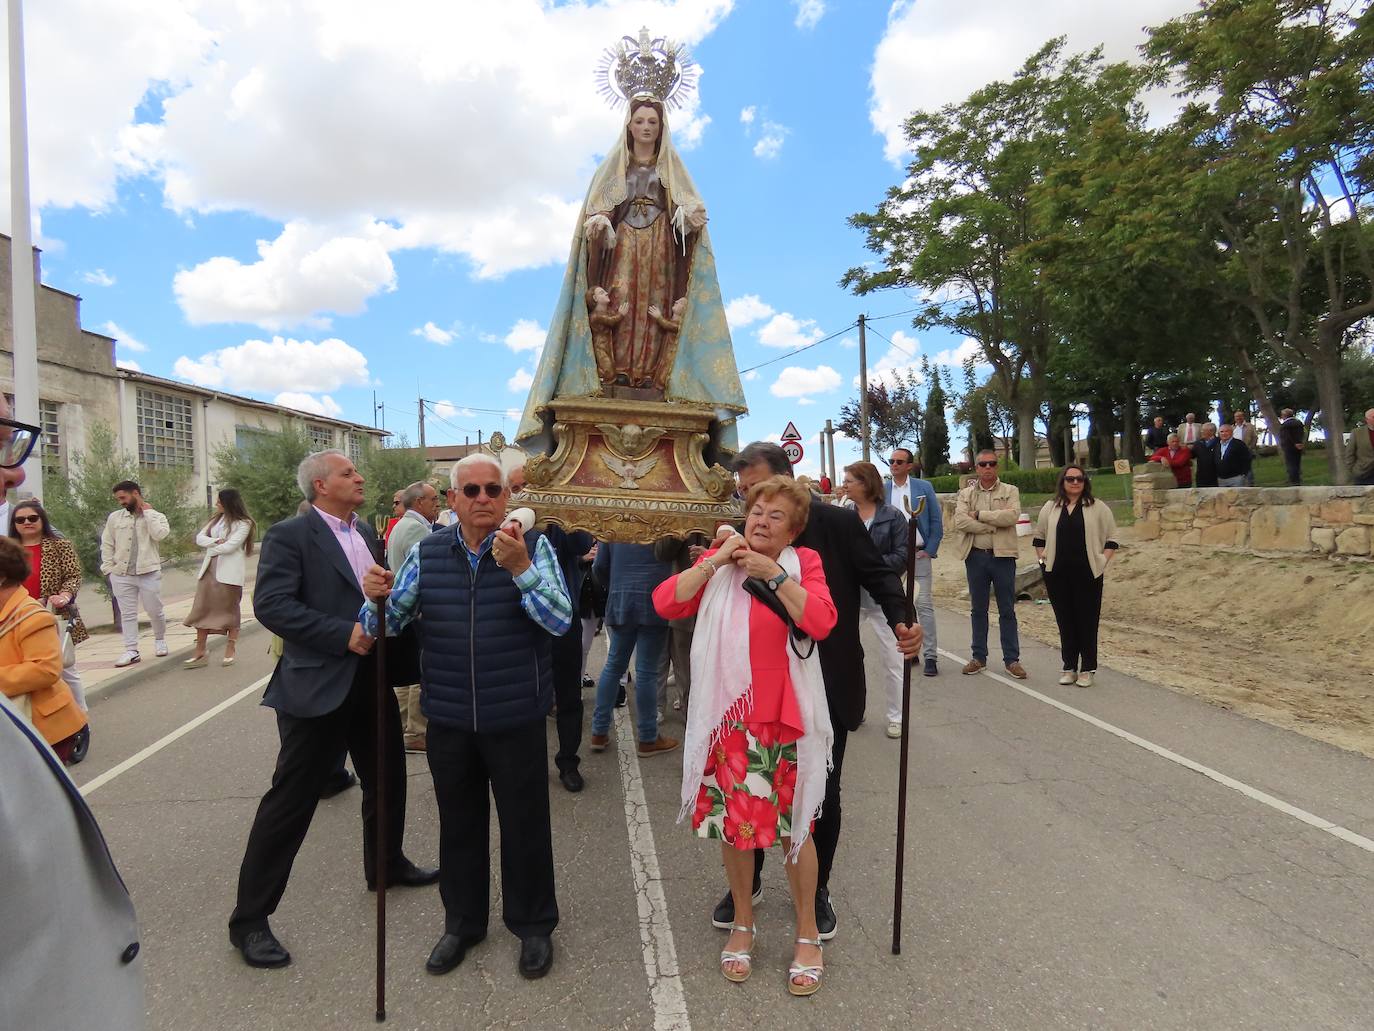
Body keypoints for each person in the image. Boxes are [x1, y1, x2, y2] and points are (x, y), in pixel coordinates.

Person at [361, 454, 571, 980]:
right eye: (471, 490)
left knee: (525, 826)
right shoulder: (428, 555)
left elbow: (560, 621)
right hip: (450, 717)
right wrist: (374, 601)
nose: (482, 499)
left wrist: (521, 570)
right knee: (459, 825)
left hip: (516, 714)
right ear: (451, 500)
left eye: (493, 490)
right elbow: (386, 623)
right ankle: (462, 922)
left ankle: (533, 925)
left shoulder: (535, 548)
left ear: (506, 499)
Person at [228, 450, 438, 971]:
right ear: (321, 485)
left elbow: (363, 596)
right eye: (348, 473)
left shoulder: (364, 532)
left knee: (387, 778)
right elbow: (272, 606)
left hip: (370, 679)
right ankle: (250, 920)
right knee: (291, 802)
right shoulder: (290, 536)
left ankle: (385, 865)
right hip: (316, 685)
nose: (359, 477)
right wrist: (341, 633)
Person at [709, 442, 921, 941]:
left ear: (787, 476)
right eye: (745, 495)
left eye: (757, 488)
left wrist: (903, 620)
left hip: (826, 677)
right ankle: (752, 881)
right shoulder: (744, 532)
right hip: (758, 688)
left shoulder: (838, 524)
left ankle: (817, 888)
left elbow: (878, 576)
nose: (752, 504)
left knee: (821, 793)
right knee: (753, 789)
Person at [654, 476, 837, 995]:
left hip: (786, 719)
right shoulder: (721, 560)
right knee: (736, 829)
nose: (760, 521)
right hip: (729, 723)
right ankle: (742, 922)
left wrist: (774, 575)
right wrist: (714, 560)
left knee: (793, 831)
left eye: (775, 516)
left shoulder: (804, 566)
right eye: (756, 511)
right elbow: (667, 603)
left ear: (794, 529)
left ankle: (806, 932)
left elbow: (822, 621)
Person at [0, 394, 145, 1029]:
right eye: (3, 444)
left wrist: (60, 597)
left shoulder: (58, 543)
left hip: (47, 624)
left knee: (68, 677)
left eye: (18, 445)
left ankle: (79, 717)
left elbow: (67, 572)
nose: (16, 476)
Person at [516, 92, 745, 453]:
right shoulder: (613, 170)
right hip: (622, 246)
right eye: (639, 121)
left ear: (662, 128)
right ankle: (617, 374)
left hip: (660, 251)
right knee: (621, 305)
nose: (646, 128)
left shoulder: (671, 171)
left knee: (654, 307)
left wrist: (688, 217)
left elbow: (683, 212)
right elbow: (602, 209)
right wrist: (598, 222)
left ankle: (651, 377)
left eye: (653, 122)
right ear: (629, 125)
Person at [10, 498, 91, 760]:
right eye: (20, 520)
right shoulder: (9, 550)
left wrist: (65, 595)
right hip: (14, 616)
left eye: (32, 518)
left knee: (64, 668)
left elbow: (74, 575)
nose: (26, 524)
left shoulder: (59, 546)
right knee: (26, 668)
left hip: (51, 614)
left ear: (42, 520)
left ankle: (79, 716)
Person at [588, 542, 678, 757]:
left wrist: (618, 583)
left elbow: (599, 565)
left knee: (613, 666)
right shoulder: (664, 520)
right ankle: (648, 737)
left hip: (621, 596)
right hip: (655, 597)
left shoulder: (616, 518)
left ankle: (598, 732)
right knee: (646, 671)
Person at [1033, 467, 1119, 689]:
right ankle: (1069, 666)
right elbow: (1039, 537)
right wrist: (1043, 561)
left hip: (1088, 573)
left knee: (1087, 622)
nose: (1075, 482)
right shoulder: (1050, 508)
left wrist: (1102, 561)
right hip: (1057, 573)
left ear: (1084, 482)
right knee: (1065, 621)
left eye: (1079, 479)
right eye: (1070, 478)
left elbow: (1112, 538)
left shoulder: (1097, 507)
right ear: (1062, 481)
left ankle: (1087, 668)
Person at [845, 462, 908, 739]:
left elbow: (902, 555)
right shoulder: (844, 515)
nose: (845, 485)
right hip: (849, 598)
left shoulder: (893, 516)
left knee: (893, 661)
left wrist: (869, 567)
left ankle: (896, 717)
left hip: (883, 599)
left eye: (850, 481)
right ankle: (854, 710)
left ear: (866, 483)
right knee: (848, 659)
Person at [953, 450, 1026, 679]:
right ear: (976, 467)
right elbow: (960, 521)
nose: (988, 468)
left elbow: (1012, 517)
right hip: (976, 556)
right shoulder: (966, 493)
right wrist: (991, 525)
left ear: (997, 467)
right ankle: (978, 658)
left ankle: (1012, 660)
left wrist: (980, 514)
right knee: (978, 609)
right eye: (983, 464)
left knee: (1007, 609)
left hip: (1003, 556)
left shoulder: (1010, 491)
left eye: (992, 464)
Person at [385, 480, 441, 753]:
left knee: (407, 674)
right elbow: (431, 571)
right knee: (418, 674)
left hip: (403, 608)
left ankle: (404, 726)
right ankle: (416, 731)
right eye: (433, 499)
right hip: (414, 609)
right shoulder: (417, 529)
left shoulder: (401, 526)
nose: (437, 504)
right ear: (419, 502)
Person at [884, 447, 943, 676]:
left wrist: (930, 549)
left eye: (899, 461)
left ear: (909, 465)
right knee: (901, 606)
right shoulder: (884, 489)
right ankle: (911, 652)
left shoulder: (923, 487)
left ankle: (931, 656)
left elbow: (936, 521)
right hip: (893, 556)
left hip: (919, 553)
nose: (895, 464)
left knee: (924, 604)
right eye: (892, 461)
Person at [100, 480, 170, 668]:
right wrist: (107, 568)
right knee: (128, 613)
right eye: (118, 499)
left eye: (123, 497)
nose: (121, 502)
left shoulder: (156, 516)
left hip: (149, 572)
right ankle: (131, 649)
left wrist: (147, 513)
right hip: (121, 573)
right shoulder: (115, 518)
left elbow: (160, 535)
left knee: (154, 610)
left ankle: (160, 639)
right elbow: (107, 543)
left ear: (135, 494)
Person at [183, 488, 254, 669]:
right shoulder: (216, 520)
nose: (216, 504)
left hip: (228, 574)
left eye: (219, 501)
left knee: (229, 610)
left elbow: (231, 546)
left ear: (228, 503)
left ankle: (230, 648)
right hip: (209, 570)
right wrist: (215, 542)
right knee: (202, 608)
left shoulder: (243, 523)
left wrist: (213, 547)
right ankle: (200, 651)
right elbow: (199, 538)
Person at [1215, 423, 1253, 488]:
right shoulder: (1217, 445)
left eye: (1227, 431)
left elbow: (1247, 459)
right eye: (1222, 432)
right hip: (1221, 479)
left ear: (1232, 432)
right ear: (1219, 433)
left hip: (1236, 478)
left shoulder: (1239, 444)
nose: (1224, 433)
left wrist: (1243, 474)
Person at [1345, 408, 1374, 486]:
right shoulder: (1357, 433)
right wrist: (1353, 470)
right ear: (1367, 419)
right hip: (1364, 473)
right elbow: (1349, 453)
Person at [1279, 408, 1305, 485]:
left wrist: (1294, 443)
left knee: (1291, 463)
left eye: (1282, 415)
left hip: (1289, 446)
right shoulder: (1298, 422)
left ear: (1285, 415)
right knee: (1297, 463)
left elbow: (1287, 436)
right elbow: (1301, 433)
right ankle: (1296, 479)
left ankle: (1293, 480)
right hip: (1298, 445)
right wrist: (1299, 442)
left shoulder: (1286, 425)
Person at [1192, 423, 1220, 488]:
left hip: (1216, 476)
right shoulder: (1198, 443)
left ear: (1212, 431)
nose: (1201, 432)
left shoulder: (1220, 442)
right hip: (1201, 476)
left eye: (1203, 430)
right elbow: (1191, 455)